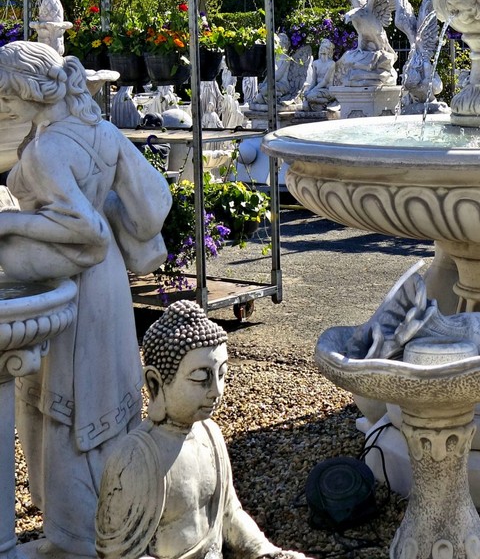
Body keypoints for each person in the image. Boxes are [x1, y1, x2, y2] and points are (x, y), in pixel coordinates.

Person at [0, 41, 171, 558]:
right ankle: (120, 518)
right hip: (111, 282)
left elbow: (87, 231)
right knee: (108, 394)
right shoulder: (101, 131)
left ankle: (75, 535)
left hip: (73, 282)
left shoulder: (46, 150)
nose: (2, 104)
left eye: (6, 93)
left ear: (30, 88)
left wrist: (8, 222)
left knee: (71, 408)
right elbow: (152, 207)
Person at [95, 302, 306, 559]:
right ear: (155, 383)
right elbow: (117, 555)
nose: (216, 390)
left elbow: (230, 514)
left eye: (222, 374)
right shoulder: (134, 458)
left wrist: (265, 551)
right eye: (200, 378)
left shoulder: (211, 436)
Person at [300, 38, 337, 109]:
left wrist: (313, 90)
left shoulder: (331, 64)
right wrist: (309, 90)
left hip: (327, 90)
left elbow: (325, 81)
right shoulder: (315, 63)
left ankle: (325, 102)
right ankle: (315, 102)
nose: (323, 48)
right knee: (306, 93)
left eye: (326, 47)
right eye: (322, 46)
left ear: (329, 50)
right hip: (317, 89)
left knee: (310, 96)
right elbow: (314, 81)